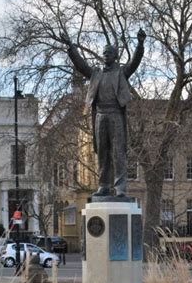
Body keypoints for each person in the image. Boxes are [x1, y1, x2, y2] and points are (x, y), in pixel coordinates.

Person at [61, 29, 146, 198]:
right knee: (102, 152)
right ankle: (104, 186)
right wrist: (71, 47)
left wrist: (140, 45)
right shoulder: (95, 74)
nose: (105, 55)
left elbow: (134, 63)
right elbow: (80, 65)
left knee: (118, 152)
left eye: (109, 53)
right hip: (100, 116)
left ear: (115, 56)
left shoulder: (121, 72)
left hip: (115, 115)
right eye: (104, 53)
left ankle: (120, 187)